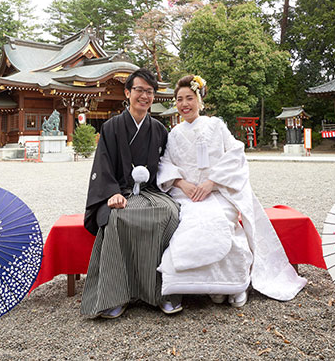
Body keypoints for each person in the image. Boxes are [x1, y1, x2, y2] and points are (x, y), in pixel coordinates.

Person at [156, 75, 307, 307]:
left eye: (189, 98)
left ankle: (235, 285)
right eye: (179, 99)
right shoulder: (173, 134)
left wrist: (212, 182)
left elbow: (235, 153)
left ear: (199, 100)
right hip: (187, 195)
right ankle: (207, 288)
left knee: (221, 222)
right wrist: (181, 183)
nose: (184, 104)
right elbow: (165, 164)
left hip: (218, 192)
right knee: (188, 224)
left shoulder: (215, 125)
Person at [81, 68, 182, 319]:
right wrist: (111, 193)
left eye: (149, 92)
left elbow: (167, 165)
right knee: (117, 217)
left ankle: (163, 291)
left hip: (150, 190)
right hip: (120, 191)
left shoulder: (159, 129)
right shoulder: (111, 127)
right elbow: (102, 165)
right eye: (139, 90)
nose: (144, 96)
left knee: (170, 212)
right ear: (127, 93)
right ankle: (116, 294)